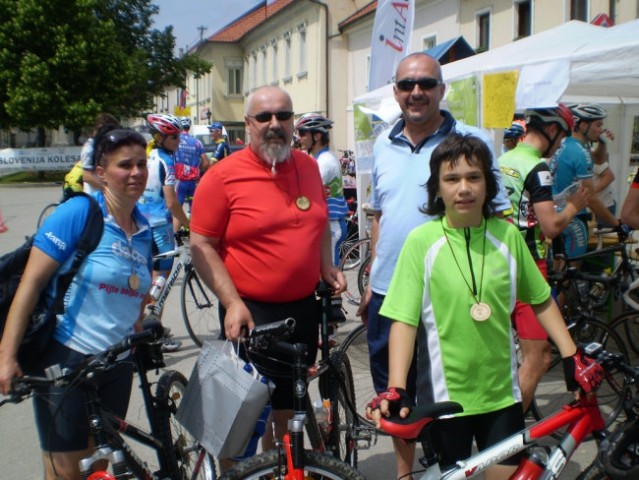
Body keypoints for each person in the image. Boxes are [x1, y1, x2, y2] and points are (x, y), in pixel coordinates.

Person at [367, 133, 603, 480]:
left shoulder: (507, 236)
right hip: (446, 401)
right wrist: (398, 386)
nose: (464, 188)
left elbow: (539, 299)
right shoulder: (421, 241)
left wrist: (571, 355)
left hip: (501, 397)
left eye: (473, 177)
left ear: (488, 185)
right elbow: (403, 319)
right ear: (437, 188)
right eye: (451, 179)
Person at [357, 52, 512, 479]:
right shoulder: (383, 145)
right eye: (407, 85)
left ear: (442, 90)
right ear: (396, 92)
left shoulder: (470, 140)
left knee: (453, 392)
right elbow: (379, 215)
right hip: (391, 291)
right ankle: (406, 474)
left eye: (426, 83)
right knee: (395, 391)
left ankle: (458, 468)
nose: (416, 92)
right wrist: (372, 277)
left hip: (451, 291)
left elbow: (497, 217)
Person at [189, 85, 346, 470]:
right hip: (249, 311)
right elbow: (201, 245)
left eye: (283, 116)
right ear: (248, 124)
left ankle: (277, 473)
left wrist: (325, 263)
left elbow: (320, 221)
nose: (275, 124)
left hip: (301, 311)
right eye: (264, 117)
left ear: (294, 122)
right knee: (236, 426)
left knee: (286, 416)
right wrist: (231, 303)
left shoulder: (308, 167)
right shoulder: (223, 176)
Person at [0, 128, 152, 480]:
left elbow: (136, 285)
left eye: (142, 164)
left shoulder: (144, 226)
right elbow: (31, 284)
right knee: (67, 471)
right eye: (124, 165)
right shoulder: (78, 213)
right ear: (101, 173)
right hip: (67, 358)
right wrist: (6, 357)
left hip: (117, 364)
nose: (136, 172)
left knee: (103, 467)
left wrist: (139, 322)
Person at [498, 105, 590, 413]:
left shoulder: (501, 160)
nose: (561, 144)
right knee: (539, 358)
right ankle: (505, 440)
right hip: (527, 267)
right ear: (552, 131)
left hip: (496, 263)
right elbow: (550, 227)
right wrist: (573, 207)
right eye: (562, 137)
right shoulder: (538, 168)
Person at [138, 113, 190, 352]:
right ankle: (152, 328)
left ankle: (147, 325)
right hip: (160, 224)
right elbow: (171, 202)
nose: (179, 141)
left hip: (140, 223)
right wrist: (188, 222)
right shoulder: (166, 162)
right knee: (163, 277)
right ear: (161, 137)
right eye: (175, 137)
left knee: (148, 277)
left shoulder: (147, 157)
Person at [550, 103, 623, 258]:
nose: (601, 129)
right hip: (574, 218)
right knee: (574, 271)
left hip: (555, 215)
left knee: (559, 271)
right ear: (583, 125)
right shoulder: (580, 152)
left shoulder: (566, 144)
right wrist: (617, 224)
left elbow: (598, 159)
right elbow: (590, 198)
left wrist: (602, 142)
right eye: (598, 124)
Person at [295, 112, 350, 266]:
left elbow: (304, 193)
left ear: (317, 136)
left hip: (332, 225)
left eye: (302, 133)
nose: (298, 137)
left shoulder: (325, 162)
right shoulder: (319, 158)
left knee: (330, 278)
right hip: (326, 224)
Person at [174, 116, 210, 229]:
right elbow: (206, 163)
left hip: (180, 179)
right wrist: (197, 170)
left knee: (177, 209)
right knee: (194, 209)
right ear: (189, 127)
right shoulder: (197, 142)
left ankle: (176, 239)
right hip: (193, 180)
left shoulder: (176, 140)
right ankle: (193, 234)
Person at [81, 113, 120, 194]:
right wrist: (108, 188)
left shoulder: (107, 144)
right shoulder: (90, 146)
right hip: (95, 196)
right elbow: (86, 176)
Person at [591, 128, 617, 227]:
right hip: (592, 207)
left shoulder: (586, 154)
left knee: (604, 238)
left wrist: (591, 192)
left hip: (604, 205)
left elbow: (609, 176)